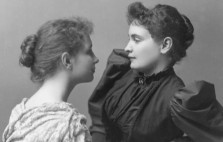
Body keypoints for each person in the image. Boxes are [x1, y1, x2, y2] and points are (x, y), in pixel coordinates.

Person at [88, 2, 223, 142]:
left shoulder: (176, 99)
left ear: (165, 45)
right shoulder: (122, 73)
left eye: (136, 39)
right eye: (129, 38)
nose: (127, 47)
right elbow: (99, 122)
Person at [3, 17, 99, 142]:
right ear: (67, 61)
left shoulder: (19, 114)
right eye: (89, 51)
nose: (96, 58)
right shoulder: (71, 128)